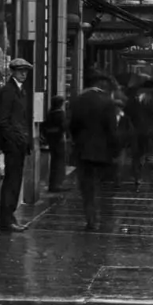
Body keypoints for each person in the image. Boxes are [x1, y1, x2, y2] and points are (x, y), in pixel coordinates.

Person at [68, 69, 120, 231]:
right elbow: (112, 130)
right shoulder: (107, 102)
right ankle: (104, 218)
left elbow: (72, 125)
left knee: (87, 188)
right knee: (104, 187)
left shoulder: (78, 100)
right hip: (103, 153)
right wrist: (115, 150)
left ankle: (91, 219)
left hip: (83, 151)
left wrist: (77, 143)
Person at [0, 57, 33, 232]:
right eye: (20, 71)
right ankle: (6, 219)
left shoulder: (21, 91)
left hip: (19, 143)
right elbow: (3, 120)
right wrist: (14, 139)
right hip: (13, 145)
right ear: (12, 71)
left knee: (15, 181)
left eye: (25, 71)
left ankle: (10, 216)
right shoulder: (8, 91)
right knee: (11, 182)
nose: (23, 74)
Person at [42, 95, 68, 192]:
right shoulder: (60, 114)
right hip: (59, 140)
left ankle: (52, 184)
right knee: (59, 162)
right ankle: (58, 184)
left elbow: (45, 127)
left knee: (54, 162)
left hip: (51, 140)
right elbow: (64, 126)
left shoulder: (50, 113)